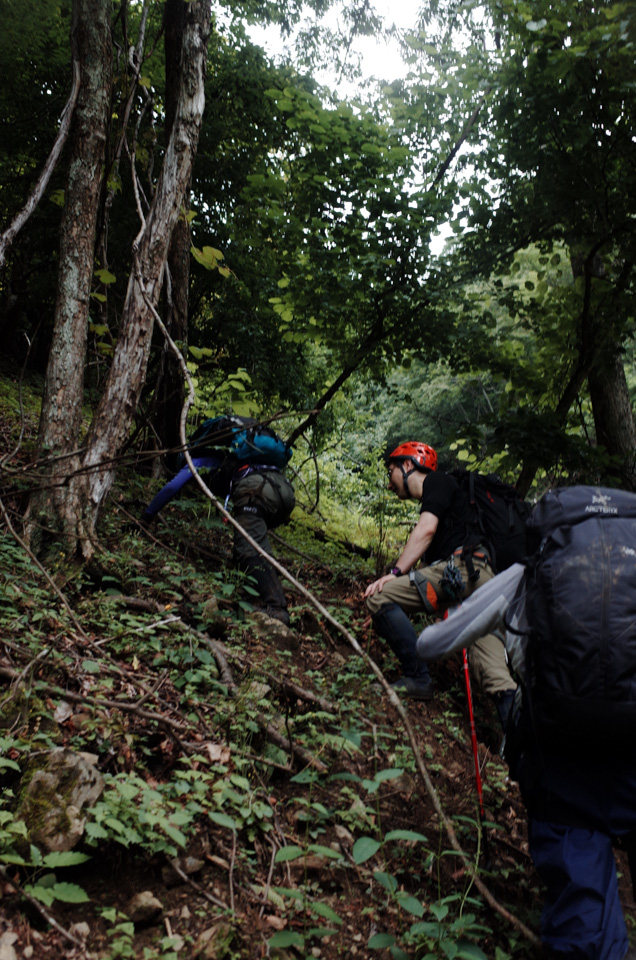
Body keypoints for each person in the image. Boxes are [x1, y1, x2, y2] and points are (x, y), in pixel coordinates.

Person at [417, 562, 636, 960]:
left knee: (583, 900)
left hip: (559, 756)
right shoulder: (630, 569)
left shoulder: (526, 574)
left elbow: (431, 645)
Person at [364, 441, 516, 724]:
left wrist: (394, 575)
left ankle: (418, 678)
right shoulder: (455, 510)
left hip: (463, 571)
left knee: (379, 597)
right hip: (484, 583)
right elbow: (426, 575)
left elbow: (426, 529)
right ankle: (524, 751)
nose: (389, 483)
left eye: (391, 472)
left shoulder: (437, 481)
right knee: (496, 675)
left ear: (408, 465)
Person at [141, 450, 295, 625]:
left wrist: (146, 517)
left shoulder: (196, 462)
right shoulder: (226, 459)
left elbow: (171, 487)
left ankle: (277, 606)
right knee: (249, 543)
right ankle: (252, 592)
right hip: (282, 491)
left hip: (258, 490)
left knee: (248, 547)